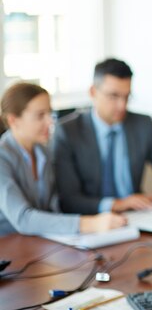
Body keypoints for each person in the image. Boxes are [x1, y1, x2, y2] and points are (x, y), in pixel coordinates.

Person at [0, 82, 126, 236]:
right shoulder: (3, 157)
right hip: (9, 245)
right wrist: (89, 224)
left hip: (40, 241)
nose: (50, 121)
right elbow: (23, 219)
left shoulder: (43, 152)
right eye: (40, 115)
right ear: (13, 120)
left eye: (49, 113)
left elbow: (55, 206)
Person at [52, 58, 152, 214]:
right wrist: (117, 204)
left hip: (135, 215)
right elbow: (68, 200)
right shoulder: (67, 132)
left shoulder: (143, 124)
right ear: (93, 92)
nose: (122, 106)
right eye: (113, 96)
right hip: (91, 220)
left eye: (126, 97)